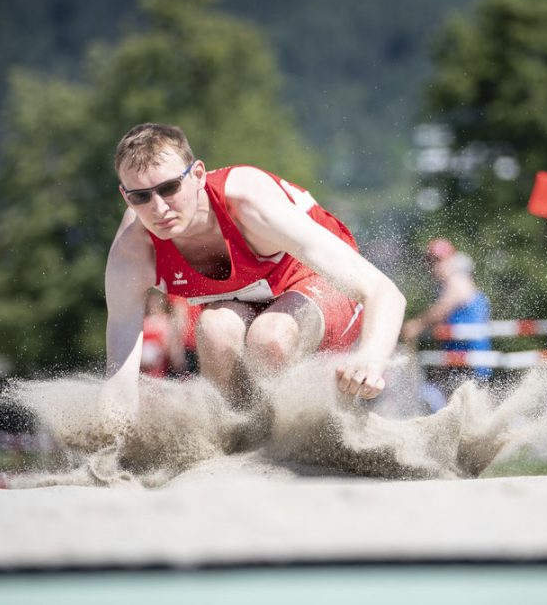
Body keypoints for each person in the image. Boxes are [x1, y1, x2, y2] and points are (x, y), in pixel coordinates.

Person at [100, 123, 406, 422]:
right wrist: (112, 428)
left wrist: (371, 358)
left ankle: (302, 435)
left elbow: (384, 291)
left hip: (316, 281)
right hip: (247, 298)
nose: (159, 208)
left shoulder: (247, 203)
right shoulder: (133, 249)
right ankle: (229, 439)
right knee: (214, 331)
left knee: (269, 338)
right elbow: (120, 378)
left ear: (197, 175)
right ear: (126, 196)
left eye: (169, 189)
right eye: (141, 196)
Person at [402, 239, 492, 409]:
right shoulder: (446, 285)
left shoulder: (457, 280)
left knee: (474, 408)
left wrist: (416, 325)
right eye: (430, 261)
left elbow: (441, 310)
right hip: (456, 358)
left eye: (438, 260)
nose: (434, 266)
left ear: (451, 259)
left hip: (470, 359)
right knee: (458, 409)